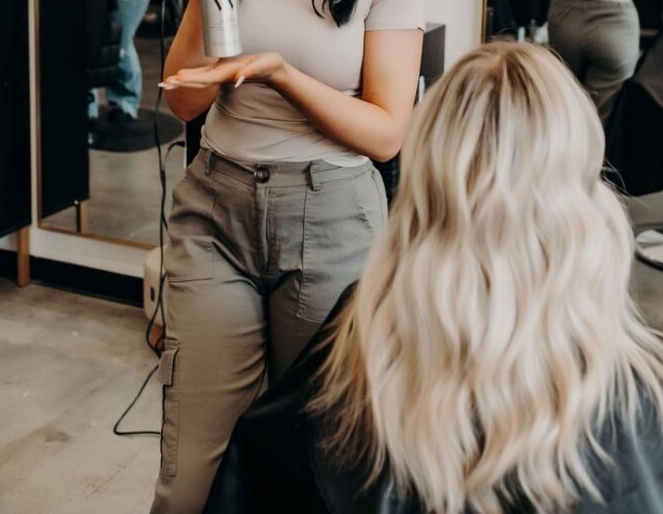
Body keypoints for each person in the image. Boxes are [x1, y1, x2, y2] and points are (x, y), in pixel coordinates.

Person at [206, 42, 663, 514]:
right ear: (580, 193)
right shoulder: (637, 398)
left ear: (425, 177)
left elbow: (259, 465)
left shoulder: (361, 325)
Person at [150, 0, 425, 514]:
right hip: (215, 214)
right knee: (190, 478)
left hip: (332, 219)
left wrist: (278, 72)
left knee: (318, 474)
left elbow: (384, 133)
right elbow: (180, 102)